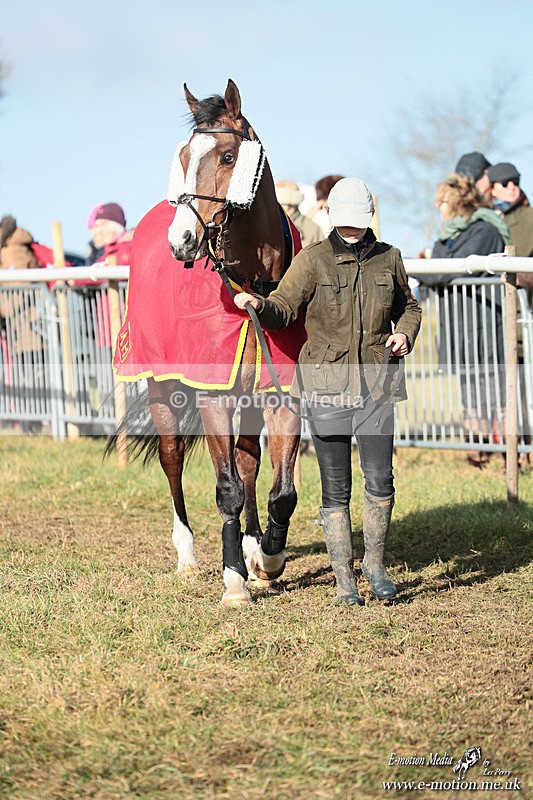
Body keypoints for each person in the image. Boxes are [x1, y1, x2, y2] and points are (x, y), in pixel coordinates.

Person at [234, 178, 422, 605]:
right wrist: (261, 307)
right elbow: (283, 308)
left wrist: (405, 334)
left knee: (381, 480)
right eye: (346, 222)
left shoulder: (389, 258)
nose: (354, 229)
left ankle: (375, 567)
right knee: (335, 489)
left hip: (378, 383)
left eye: (360, 222)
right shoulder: (312, 260)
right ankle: (344, 580)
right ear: (333, 218)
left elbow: (409, 307)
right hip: (324, 387)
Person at [415, 173, 510, 467]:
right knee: (469, 387)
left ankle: (506, 450)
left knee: (493, 388)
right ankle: (476, 449)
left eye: (443, 202)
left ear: (457, 202)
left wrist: (420, 268)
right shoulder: (449, 234)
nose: (439, 208)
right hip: (459, 323)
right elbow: (439, 268)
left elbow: (445, 271)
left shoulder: (484, 230)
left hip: (484, 322)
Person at [275, 180, 323, 247]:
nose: (286, 207)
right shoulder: (267, 224)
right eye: (282, 204)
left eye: (290, 204)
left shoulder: (311, 229)